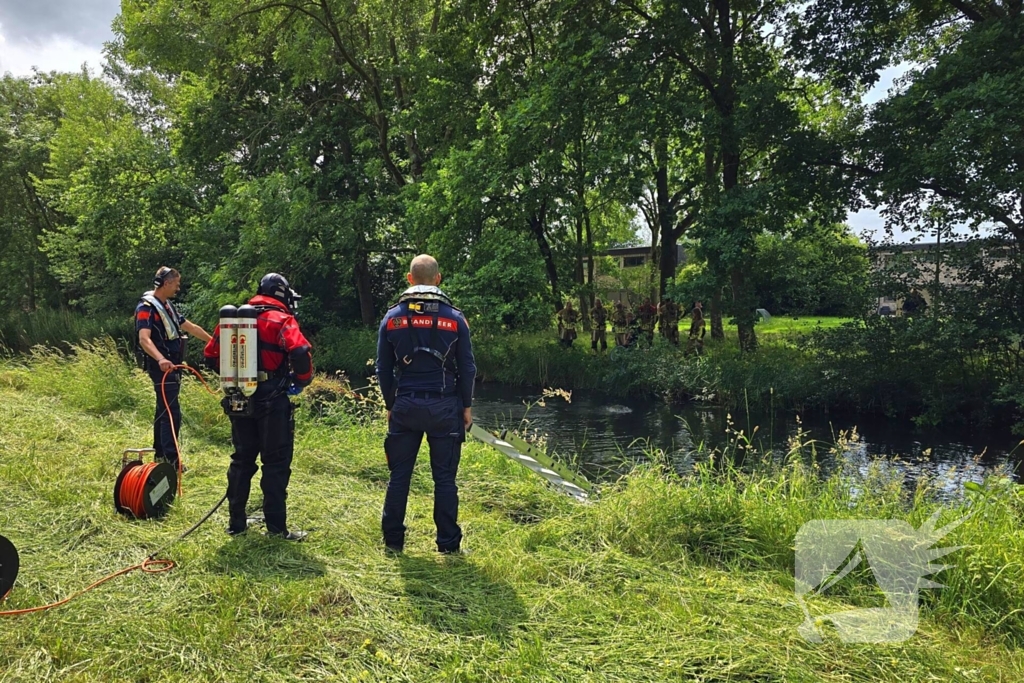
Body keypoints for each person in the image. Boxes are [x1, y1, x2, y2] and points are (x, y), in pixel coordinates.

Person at [376, 255, 476, 554]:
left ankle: (393, 542)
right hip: (445, 408)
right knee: (444, 479)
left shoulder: (391, 317)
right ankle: (448, 545)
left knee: (399, 476)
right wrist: (466, 406)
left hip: (405, 406)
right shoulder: (455, 319)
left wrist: (391, 403)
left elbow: (383, 368)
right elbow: (467, 367)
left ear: (410, 279)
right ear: (438, 279)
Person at [203, 273, 313, 540]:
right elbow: (299, 352)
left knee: (241, 459)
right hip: (272, 398)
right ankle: (276, 529)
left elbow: (209, 356)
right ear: (281, 294)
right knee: (275, 462)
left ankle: (236, 524)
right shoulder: (282, 319)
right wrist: (301, 380)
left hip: (238, 396)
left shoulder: (235, 321)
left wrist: (233, 381)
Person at [135, 267, 212, 472]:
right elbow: (144, 339)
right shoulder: (146, 307)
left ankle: (160, 453)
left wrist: (214, 341)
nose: (178, 288)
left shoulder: (167, 306)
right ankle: (172, 462)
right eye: (176, 284)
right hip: (162, 368)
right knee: (171, 413)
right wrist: (161, 359)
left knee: (163, 410)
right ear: (167, 283)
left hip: (173, 367)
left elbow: (190, 327)